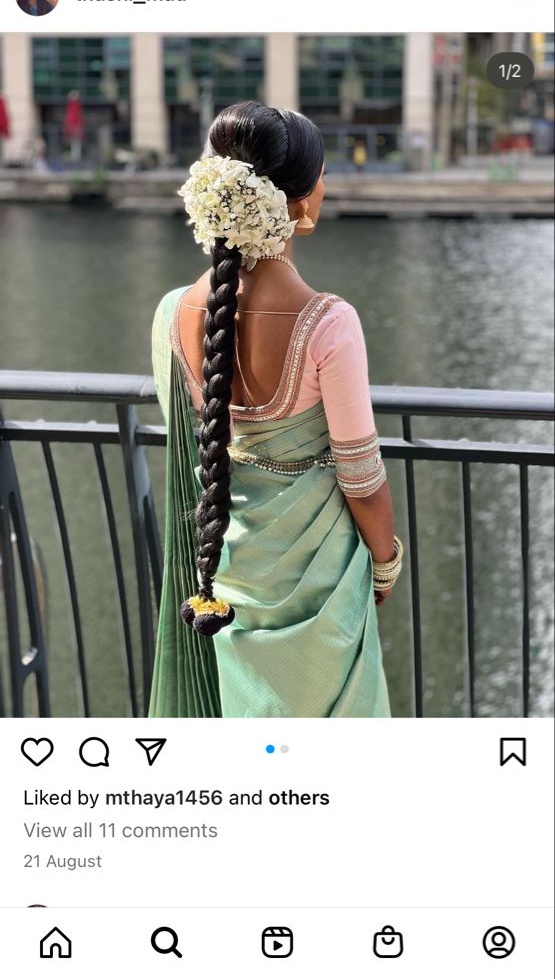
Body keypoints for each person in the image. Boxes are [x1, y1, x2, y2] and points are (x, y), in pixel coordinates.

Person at [150, 101, 403, 718]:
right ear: (299, 202)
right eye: (321, 175)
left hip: (229, 569)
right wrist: (388, 560)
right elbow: (361, 476)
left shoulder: (172, 314)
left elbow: (202, 439)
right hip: (322, 580)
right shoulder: (328, 323)